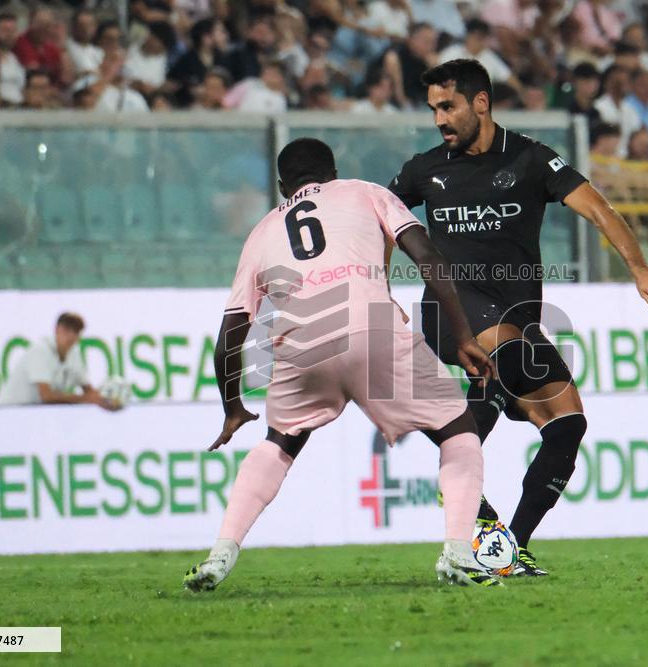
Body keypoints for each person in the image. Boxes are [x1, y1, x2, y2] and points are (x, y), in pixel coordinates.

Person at [389, 59, 648, 576]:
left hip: (516, 316)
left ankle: (506, 549)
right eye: (434, 108)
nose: (439, 119)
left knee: (567, 423)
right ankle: (460, 476)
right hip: (450, 309)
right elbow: (380, 219)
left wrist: (639, 268)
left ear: (481, 103)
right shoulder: (423, 169)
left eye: (448, 106)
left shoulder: (529, 159)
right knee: (506, 356)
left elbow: (599, 209)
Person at [182, 138, 501, 591]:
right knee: (460, 432)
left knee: (279, 442)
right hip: (371, 326)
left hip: (299, 342)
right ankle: (456, 554)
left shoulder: (261, 232)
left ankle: (219, 555)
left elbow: (227, 340)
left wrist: (233, 407)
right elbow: (429, 258)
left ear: (280, 186)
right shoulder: (366, 192)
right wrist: (465, 335)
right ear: (333, 172)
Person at [0, 312, 119, 410]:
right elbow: (46, 396)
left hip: (33, 416)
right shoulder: (40, 351)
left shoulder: (74, 355)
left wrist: (108, 400)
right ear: (56, 330)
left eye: (76, 332)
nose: (71, 336)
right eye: (67, 330)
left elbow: (89, 391)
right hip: (10, 415)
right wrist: (87, 399)